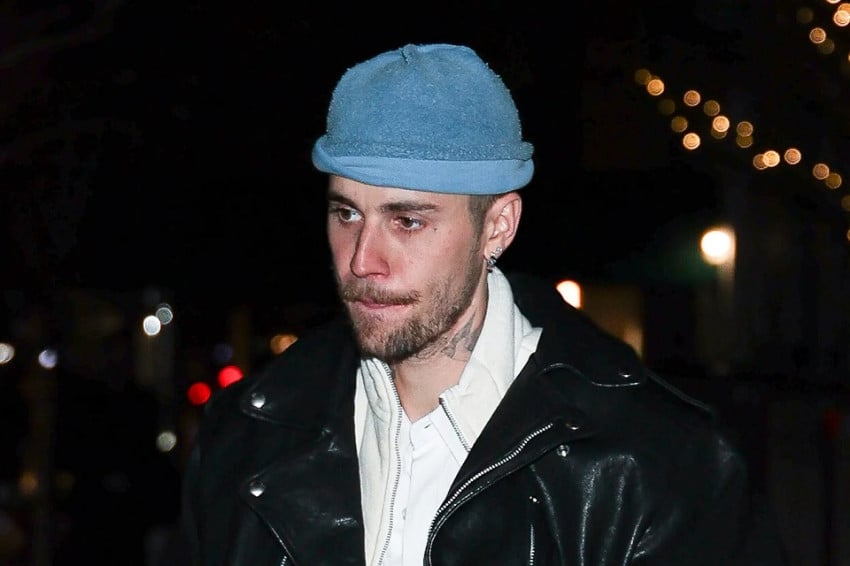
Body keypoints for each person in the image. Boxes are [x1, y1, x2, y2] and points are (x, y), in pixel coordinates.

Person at [177, 43, 788, 565]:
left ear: (497, 226)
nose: (363, 259)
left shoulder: (659, 465)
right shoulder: (242, 441)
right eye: (347, 214)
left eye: (408, 221)